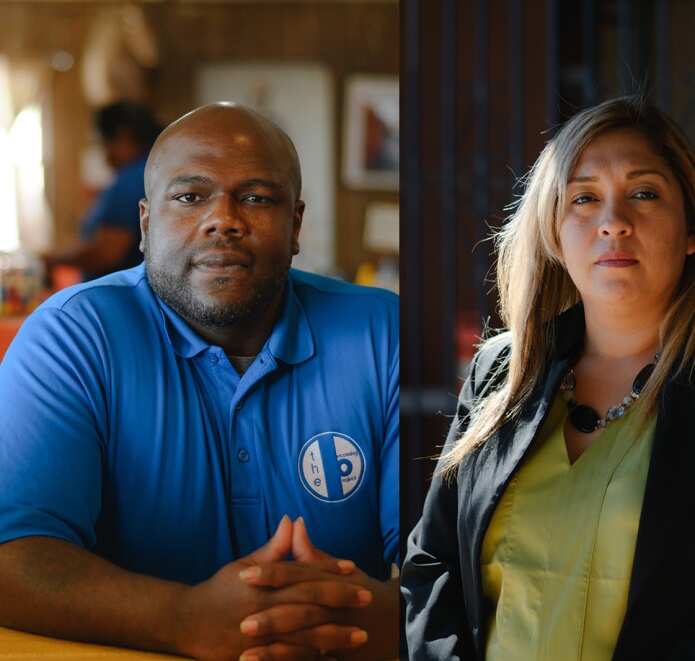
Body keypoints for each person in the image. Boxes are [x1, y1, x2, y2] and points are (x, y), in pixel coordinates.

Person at [403, 96, 695, 659]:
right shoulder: (503, 368)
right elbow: (432, 565)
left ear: (692, 228)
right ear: (556, 234)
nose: (614, 223)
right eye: (584, 198)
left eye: (644, 194)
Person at [0, 103, 400, 661]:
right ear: (145, 224)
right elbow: (13, 556)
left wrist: (376, 618)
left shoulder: (385, 332)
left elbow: (445, 561)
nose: (224, 219)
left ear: (296, 227)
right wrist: (182, 619)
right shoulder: (73, 335)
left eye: (257, 197)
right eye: (190, 197)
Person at [43, 101, 161, 280]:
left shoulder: (129, 182)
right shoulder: (157, 169)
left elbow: (106, 254)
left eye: (102, 143)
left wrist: (52, 259)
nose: (103, 154)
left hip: (121, 298)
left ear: (123, 136)